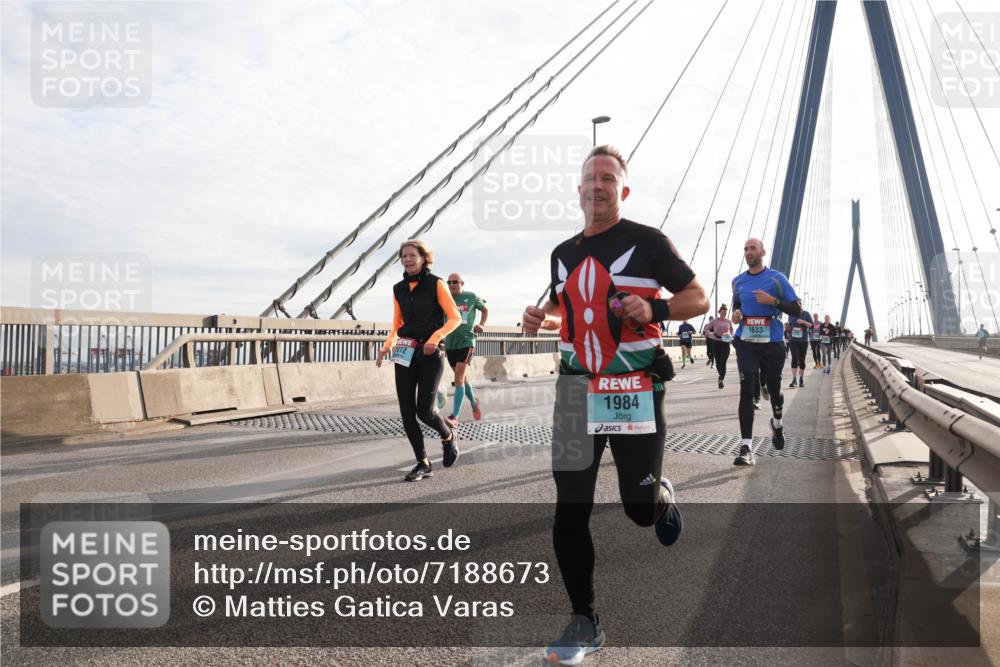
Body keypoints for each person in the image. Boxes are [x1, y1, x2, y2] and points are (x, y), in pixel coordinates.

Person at [522, 145, 709, 665]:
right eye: (590, 178)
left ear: (622, 191)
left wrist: (657, 306)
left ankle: (661, 499)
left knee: (638, 511)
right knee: (569, 508)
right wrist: (545, 320)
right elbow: (571, 310)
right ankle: (585, 620)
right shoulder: (562, 252)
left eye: (608, 178)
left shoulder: (648, 242)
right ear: (579, 190)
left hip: (635, 392)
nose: (597, 185)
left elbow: (700, 297)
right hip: (577, 391)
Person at [376, 240, 462, 482]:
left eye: (412, 255)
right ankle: (422, 462)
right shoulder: (398, 289)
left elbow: (455, 318)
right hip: (405, 353)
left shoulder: (436, 283)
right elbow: (397, 324)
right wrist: (386, 347)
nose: (408, 259)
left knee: (425, 411)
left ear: (423, 258)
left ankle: (448, 437)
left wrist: (435, 338)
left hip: (430, 353)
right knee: (406, 412)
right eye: (404, 256)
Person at [729, 238, 801, 466]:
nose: (748, 252)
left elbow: (797, 308)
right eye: (746, 249)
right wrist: (736, 316)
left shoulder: (776, 278)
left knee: (774, 388)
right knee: (747, 388)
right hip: (747, 342)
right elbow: (737, 304)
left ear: (762, 252)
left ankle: (777, 424)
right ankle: (746, 447)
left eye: (752, 248)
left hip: (772, 342)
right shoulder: (737, 282)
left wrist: (774, 301)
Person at [442, 273, 488, 427]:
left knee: (458, 378)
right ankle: (474, 403)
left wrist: (482, 324)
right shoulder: (446, 298)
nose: (452, 284)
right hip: (450, 343)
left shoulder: (472, 297)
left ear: (462, 283)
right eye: (449, 282)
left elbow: (485, 310)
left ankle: (454, 416)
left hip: (467, 341)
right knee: (463, 378)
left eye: (455, 281)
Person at [707, 305, 733, 389]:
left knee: (723, 362)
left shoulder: (729, 321)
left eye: (725, 313)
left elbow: (732, 330)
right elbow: (706, 329)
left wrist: (730, 335)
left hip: (725, 343)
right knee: (718, 363)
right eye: (722, 313)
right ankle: (720, 377)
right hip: (716, 342)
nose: (724, 314)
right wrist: (710, 334)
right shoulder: (714, 321)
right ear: (719, 312)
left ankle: (721, 379)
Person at [787, 304, 812, 388]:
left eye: (799, 305)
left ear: (801, 306)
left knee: (802, 360)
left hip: (803, 340)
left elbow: (811, 325)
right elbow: (789, 325)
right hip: (793, 340)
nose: (797, 306)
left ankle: (801, 378)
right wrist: (788, 329)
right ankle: (794, 379)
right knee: (794, 358)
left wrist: (803, 322)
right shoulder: (791, 314)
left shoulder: (806, 314)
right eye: (796, 305)